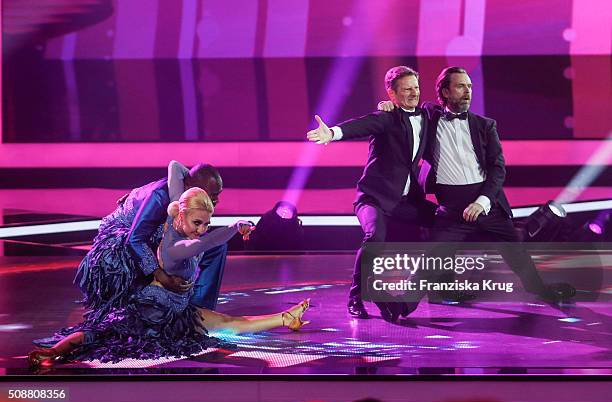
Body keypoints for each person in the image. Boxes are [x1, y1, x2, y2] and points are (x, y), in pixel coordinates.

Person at [28, 183, 310, 367]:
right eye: (197, 223)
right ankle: (54, 353)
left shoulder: (186, 229)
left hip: (177, 315)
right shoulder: (176, 245)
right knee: (97, 335)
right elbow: (205, 243)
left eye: (206, 223)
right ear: (180, 216)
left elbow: (176, 170)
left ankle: (287, 318)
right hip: (147, 317)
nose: (201, 229)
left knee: (229, 323)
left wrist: (235, 226)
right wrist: (236, 225)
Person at [377, 67, 575, 321]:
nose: (468, 91)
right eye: (461, 86)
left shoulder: (485, 125)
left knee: (518, 257)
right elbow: (405, 110)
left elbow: (498, 168)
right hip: (451, 207)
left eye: (469, 86)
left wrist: (482, 202)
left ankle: (544, 292)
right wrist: (389, 106)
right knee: (432, 259)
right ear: (445, 92)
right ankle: (401, 307)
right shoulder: (429, 116)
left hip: (487, 203)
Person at [306, 66, 436, 321]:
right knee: (375, 236)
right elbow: (361, 125)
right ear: (392, 93)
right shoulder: (386, 118)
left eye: (416, 88)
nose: (414, 93)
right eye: (407, 89)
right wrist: (332, 133)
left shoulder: (427, 115)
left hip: (406, 201)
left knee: (447, 223)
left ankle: (429, 286)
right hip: (373, 198)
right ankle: (356, 296)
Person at [74, 160, 227, 325]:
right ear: (190, 187)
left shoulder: (191, 196)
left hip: (159, 231)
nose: (215, 200)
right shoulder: (160, 197)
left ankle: (198, 310)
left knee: (216, 247)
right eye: (211, 195)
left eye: (217, 194)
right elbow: (135, 239)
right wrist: (161, 275)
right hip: (126, 237)